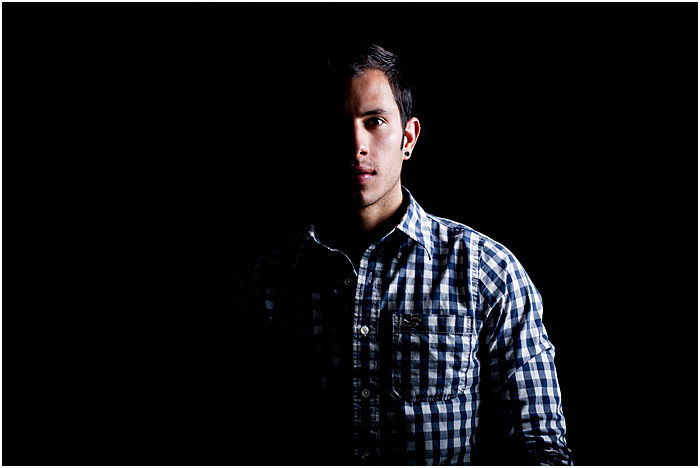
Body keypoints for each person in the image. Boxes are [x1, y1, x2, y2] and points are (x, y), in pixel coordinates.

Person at [225, 43, 572, 465]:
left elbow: (540, 448)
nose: (357, 143)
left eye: (375, 122)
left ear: (407, 137)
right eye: (339, 123)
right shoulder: (266, 285)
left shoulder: (488, 272)